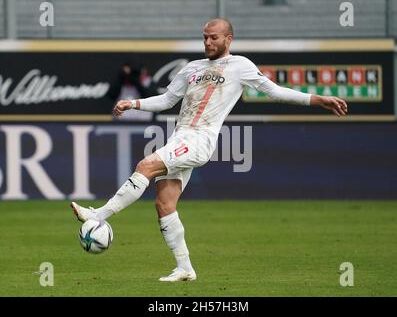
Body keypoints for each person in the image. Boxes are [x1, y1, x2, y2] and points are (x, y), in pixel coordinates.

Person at [71, 18, 348, 282]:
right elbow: (168, 99)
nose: (207, 42)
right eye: (205, 37)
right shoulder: (192, 68)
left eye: (213, 37)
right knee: (164, 204)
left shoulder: (240, 65)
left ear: (229, 38)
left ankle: (98, 215)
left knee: (145, 166)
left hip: (200, 139)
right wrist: (133, 104)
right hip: (180, 137)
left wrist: (319, 99)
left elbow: (275, 92)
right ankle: (184, 268)